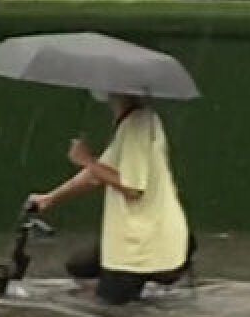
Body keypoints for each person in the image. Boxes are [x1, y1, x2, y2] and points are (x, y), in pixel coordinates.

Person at [30, 92, 196, 305]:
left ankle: (128, 298)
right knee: (80, 266)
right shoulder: (135, 123)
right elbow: (95, 176)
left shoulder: (136, 127)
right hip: (139, 236)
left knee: (108, 310)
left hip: (140, 243)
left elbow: (133, 188)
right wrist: (50, 198)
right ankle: (128, 293)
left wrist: (86, 159)